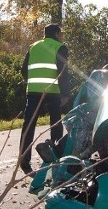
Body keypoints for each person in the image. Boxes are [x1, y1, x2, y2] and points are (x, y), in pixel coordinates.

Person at [19, 23, 70, 174]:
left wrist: (33, 81)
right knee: (55, 124)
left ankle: (24, 161)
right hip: (52, 91)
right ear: (56, 34)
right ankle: (56, 158)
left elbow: (23, 70)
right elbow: (63, 73)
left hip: (33, 91)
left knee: (28, 126)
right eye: (60, 34)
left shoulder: (33, 46)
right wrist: (65, 94)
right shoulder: (60, 47)